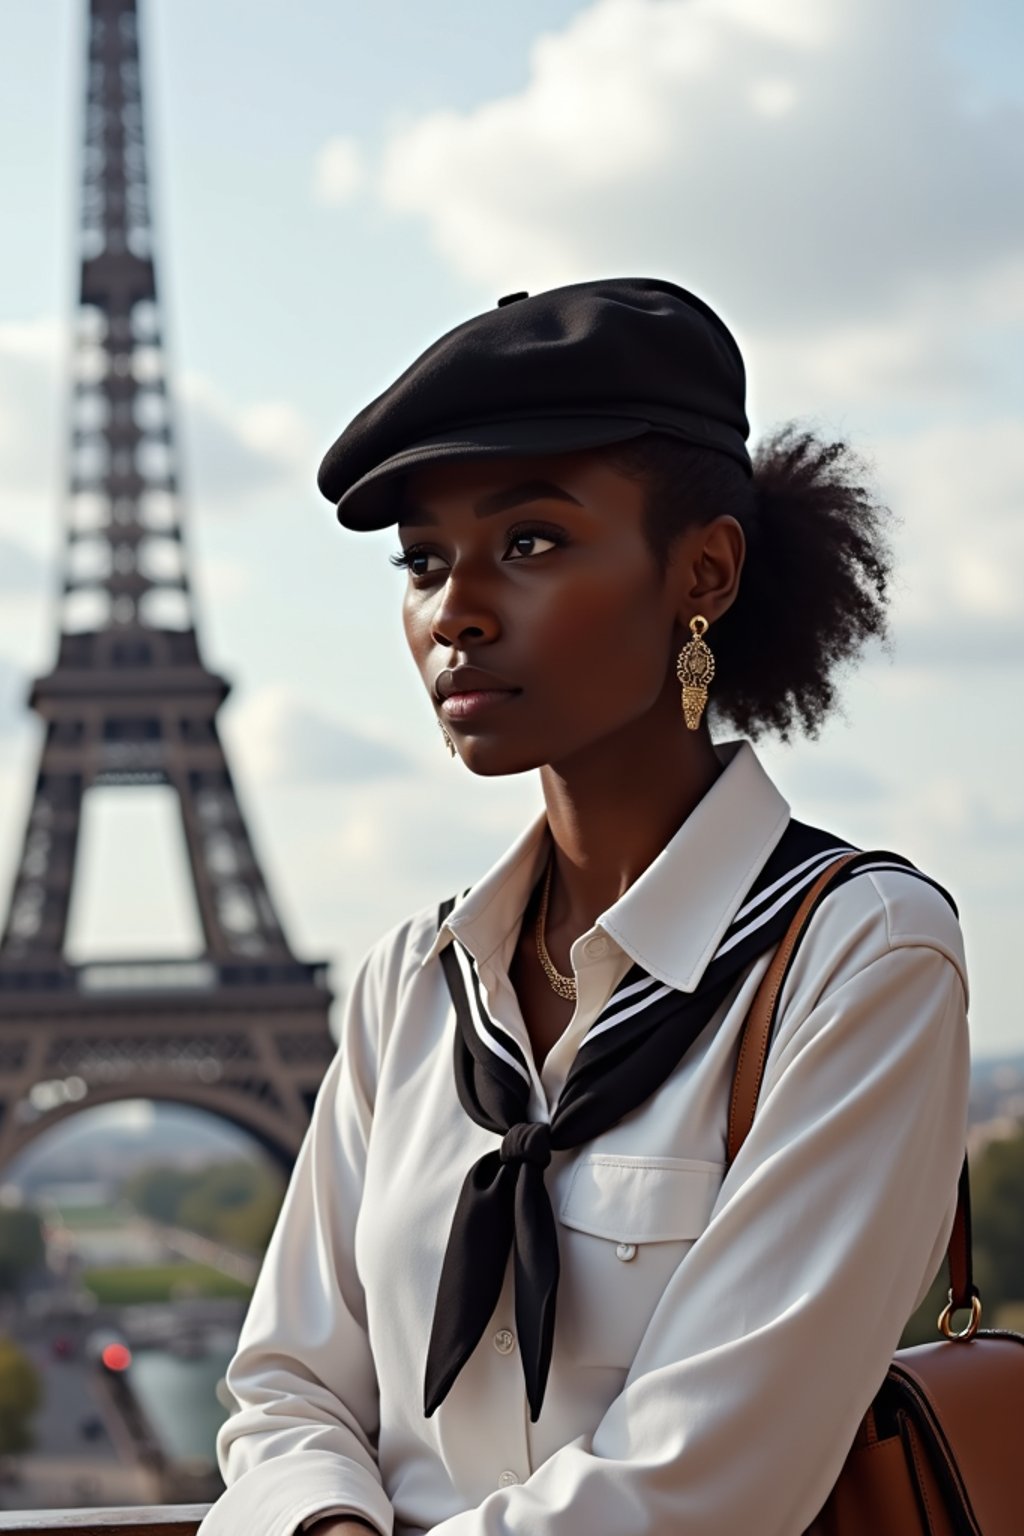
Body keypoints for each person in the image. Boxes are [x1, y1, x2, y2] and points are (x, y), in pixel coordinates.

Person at [197, 279, 970, 1536]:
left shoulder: (856, 958)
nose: (456, 610)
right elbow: (285, 1389)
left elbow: (705, 1479)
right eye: (425, 562)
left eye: (532, 542)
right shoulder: (416, 980)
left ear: (702, 572)